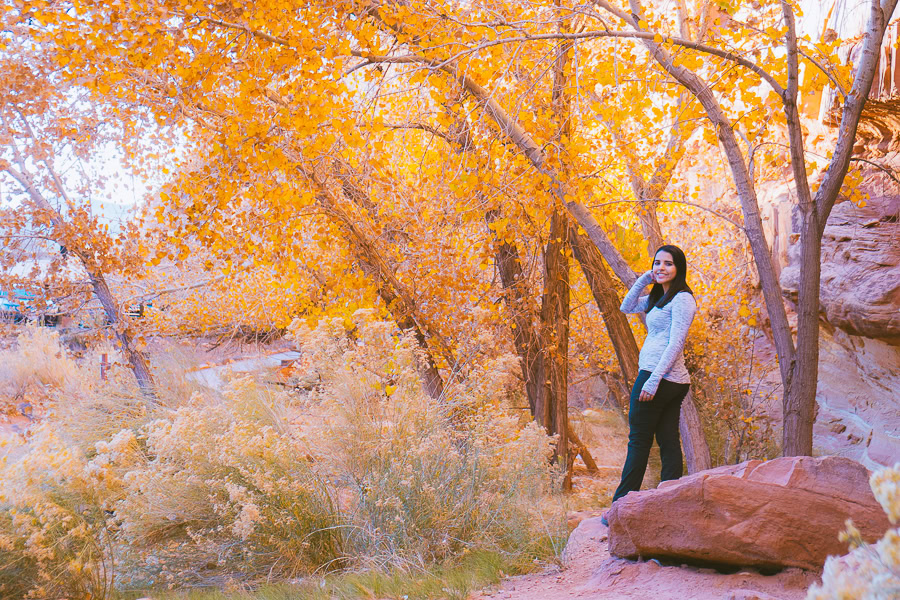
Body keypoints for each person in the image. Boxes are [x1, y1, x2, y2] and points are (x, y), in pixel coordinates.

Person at [601, 244, 697, 527]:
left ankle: (619, 506)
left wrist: (654, 379)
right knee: (667, 439)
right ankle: (670, 502)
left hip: (660, 377)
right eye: (658, 263)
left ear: (679, 268)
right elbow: (626, 306)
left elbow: (676, 342)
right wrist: (646, 278)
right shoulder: (660, 297)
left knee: (639, 440)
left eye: (668, 264)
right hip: (668, 378)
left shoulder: (682, 299)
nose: (661, 268)